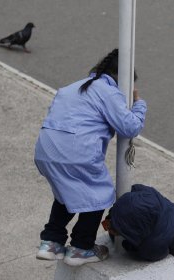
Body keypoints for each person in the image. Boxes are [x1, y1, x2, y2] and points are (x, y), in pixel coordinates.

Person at [34, 49, 147, 266]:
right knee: (99, 194)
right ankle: (81, 247)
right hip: (76, 152)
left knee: (65, 193)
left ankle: (51, 242)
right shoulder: (108, 91)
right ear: (122, 79)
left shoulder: (71, 88)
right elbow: (130, 127)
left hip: (46, 149)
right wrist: (139, 104)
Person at [102, 184, 174, 274]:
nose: (107, 229)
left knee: (173, 270)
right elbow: (133, 191)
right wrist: (113, 214)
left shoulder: (152, 245)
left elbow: (154, 254)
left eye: (116, 231)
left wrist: (127, 245)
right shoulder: (145, 193)